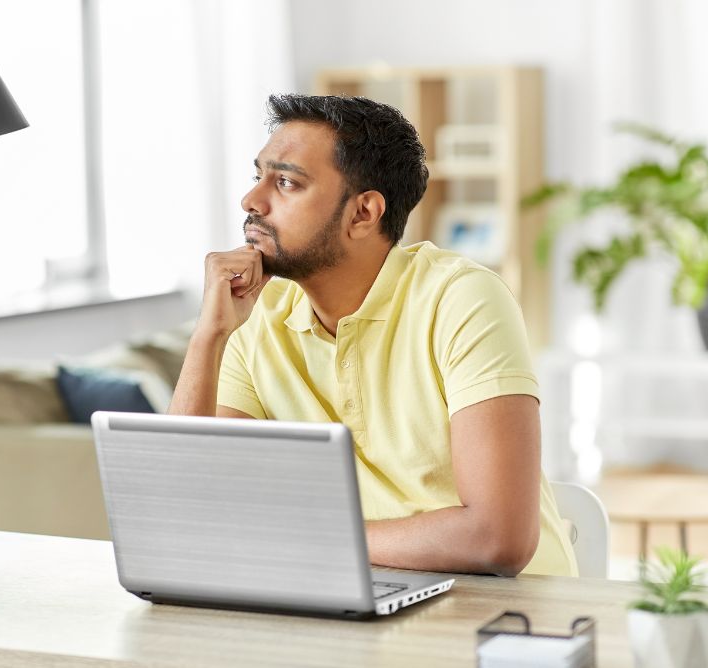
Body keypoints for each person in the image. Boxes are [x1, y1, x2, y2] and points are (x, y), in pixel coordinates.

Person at [168, 94, 577, 577]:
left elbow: (496, 539)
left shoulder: (462, 298)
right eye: (257, 176)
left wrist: (314, 539)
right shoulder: (255, 315)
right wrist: (208, 335)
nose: (251, 202)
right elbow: (186, 509)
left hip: (509, 616)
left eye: (285, 182)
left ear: (363, 214)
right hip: (359, 592)